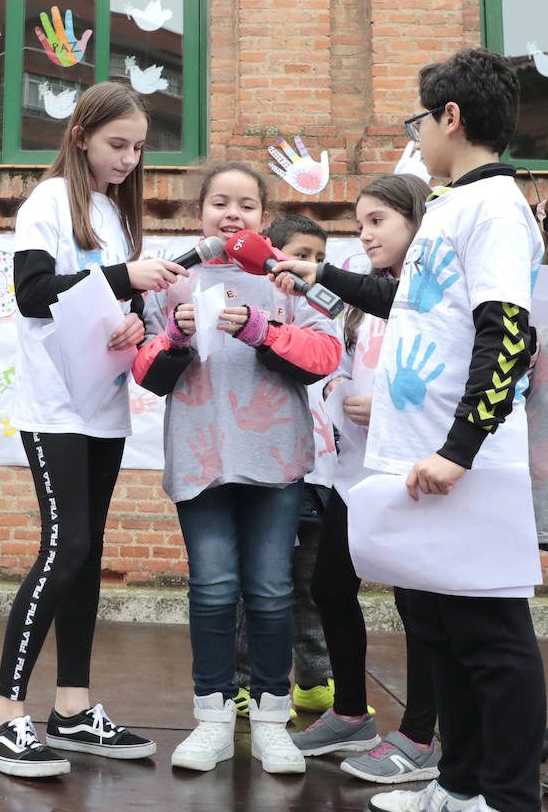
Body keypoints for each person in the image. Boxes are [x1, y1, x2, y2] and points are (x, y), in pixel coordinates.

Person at [272, 47, 544, 812]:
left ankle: (508, 796)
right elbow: (408, 305)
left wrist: (458, 451)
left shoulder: (493, 209)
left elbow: (507, 335)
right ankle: (456, 786)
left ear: (450, 117)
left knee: (491, 640)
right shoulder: (453, 203)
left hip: (460, 466)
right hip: (415, 462)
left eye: (419, 118)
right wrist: (319, 275)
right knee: (438, 630)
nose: (416, 133)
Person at [0, 82, 186, 778]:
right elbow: (33, 294)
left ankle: (71, 707)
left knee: (87, 554)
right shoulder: (47, 203)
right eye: (116, 144)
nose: (128, 159)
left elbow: (98, 304)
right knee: (66, 548)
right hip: (55, 408)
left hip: (103, 403)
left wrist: (128, 315)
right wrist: (123, 275)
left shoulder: (114, 213)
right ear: (81, 135)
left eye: (137, 148)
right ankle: (4, 715)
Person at [133, 162, 341, 775]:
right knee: (213, 589)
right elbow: (146, 372)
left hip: (275, 460)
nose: (232, 214)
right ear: (199, 212)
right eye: (219, 202)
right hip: (201, 459)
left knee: (273, 590)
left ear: (263, 215)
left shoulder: (287, 278)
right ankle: (213, 721)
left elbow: (327, 352)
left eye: (246, 205)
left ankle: (273, 721)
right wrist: (171, 335)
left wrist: (263, 329)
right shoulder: (170, 281)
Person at [285, 175, 441, 785]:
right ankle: (351, 712)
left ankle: (421, 736)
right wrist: (335, 387)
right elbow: (340, 356)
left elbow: (442, 376)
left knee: (417, 602)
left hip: (409, 467)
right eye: (361, 222)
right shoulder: (365, 294)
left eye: (378, 220)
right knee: (329, 584)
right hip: (356, 470)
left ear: (415, 221)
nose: (365, 233)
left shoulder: (428, 293)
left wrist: (391, 408)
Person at [232, 214, 337, 719]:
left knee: (310, 586)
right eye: (300, 253)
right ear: (270, 253)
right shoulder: (254, 308)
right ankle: (242, 685)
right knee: (260, 584)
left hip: (319, 473)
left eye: (318, 258)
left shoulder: (324, 310)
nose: (308, 266)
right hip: (272, 467)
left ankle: (315, 682)